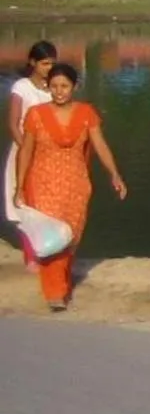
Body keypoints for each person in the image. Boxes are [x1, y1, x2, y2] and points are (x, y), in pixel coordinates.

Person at [14, 62, 128, 311]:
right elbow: (26, 151)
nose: (59, 91)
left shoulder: (86, 114)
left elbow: (100, 145)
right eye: (54, 86)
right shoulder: (36, 114)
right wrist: (19, 186)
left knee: (71, 237)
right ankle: (55, 293)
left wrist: (115, 174)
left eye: (64, 86)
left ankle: (61, 282)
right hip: (43, 184)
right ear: (48, 87)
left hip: (76, 185)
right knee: (52, 238)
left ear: (74, 87)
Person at [6, 40, 57, 232]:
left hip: (48, 152)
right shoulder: (22, 87)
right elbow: (13, 124)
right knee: (23, 198)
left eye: (52, 63)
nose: (49, 68)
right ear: (33, 62)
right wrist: (27, 150)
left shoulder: (54, 88)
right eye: (45, 63)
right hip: (24, 148)